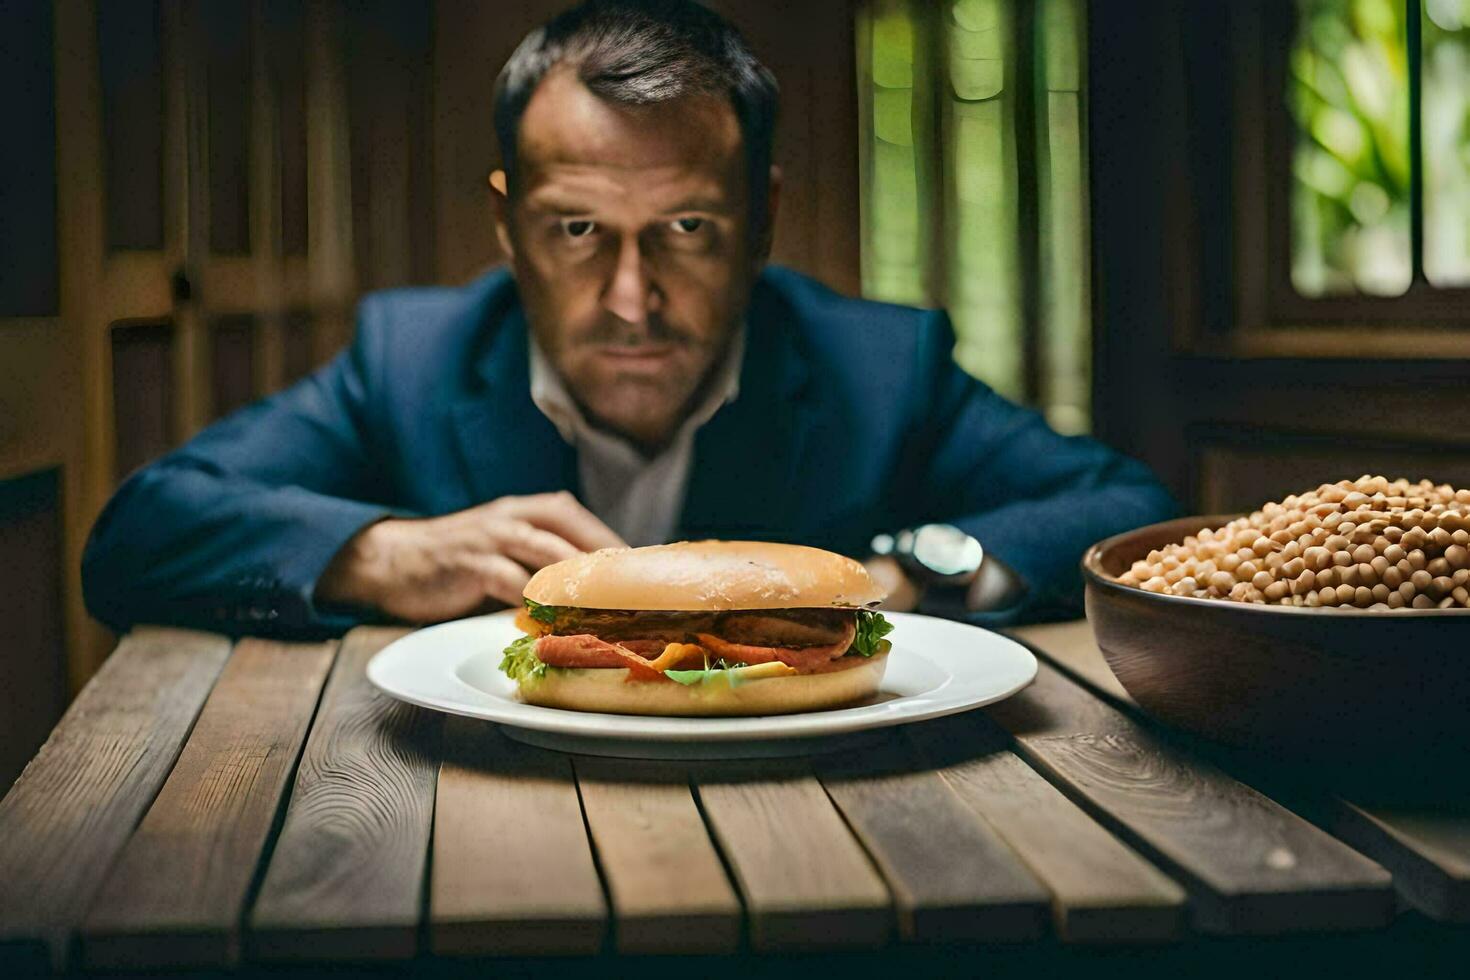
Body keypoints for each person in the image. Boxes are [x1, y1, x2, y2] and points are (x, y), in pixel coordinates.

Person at [82, 0, 1174, 638]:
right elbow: (138, 532)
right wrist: (382, 553)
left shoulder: (880, 366)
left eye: (690, 227)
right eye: (576, 233)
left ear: (762, 221)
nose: (631, 299)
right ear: (508, 230)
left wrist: (908, 578)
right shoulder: (406, 359)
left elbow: (1130, 507)